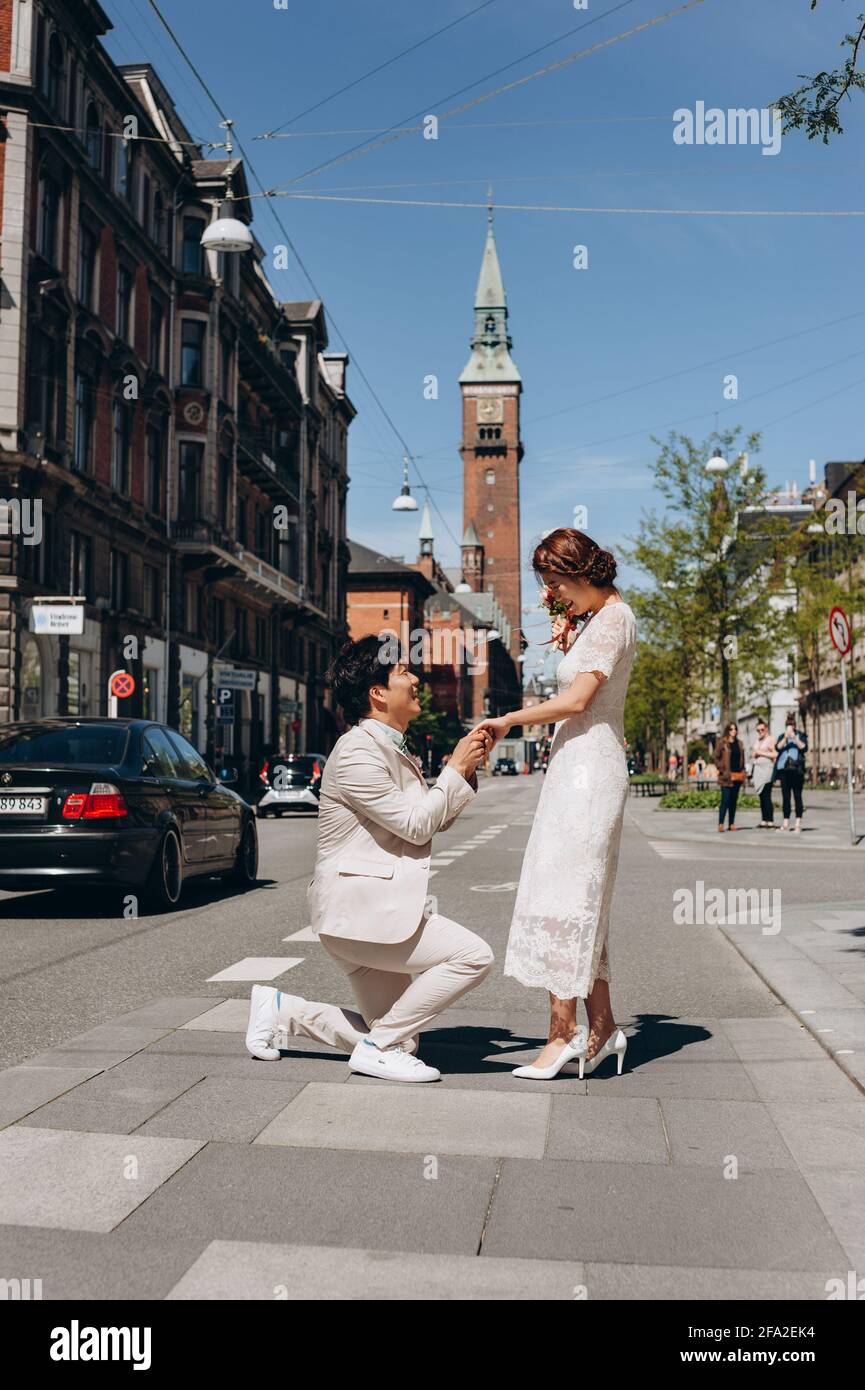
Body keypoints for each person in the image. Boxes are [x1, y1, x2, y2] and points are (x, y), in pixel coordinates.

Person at [245, 636, 494, 1081]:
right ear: (377, 693)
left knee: (404, 1037)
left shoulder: (390, 747)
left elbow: (430, 820)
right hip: (361, 914)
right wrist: (453, 770)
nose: (415, 678)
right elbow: (417, 825)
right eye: (403, 672)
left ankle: (282, 1013)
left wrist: (464, 772)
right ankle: (377, 1048)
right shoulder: (358, 750)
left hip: (369, 915)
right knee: (473, 956)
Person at [476, 528, 636, 1081]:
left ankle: (561, 1036)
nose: (553, 595)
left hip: (591, 769)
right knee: (576, 897)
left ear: (579, 573)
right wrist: (568, 629)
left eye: (554, 584)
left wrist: (507, 720)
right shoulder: (597, 620)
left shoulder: (614, 619)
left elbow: (578, 699)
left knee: (567, 895)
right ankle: (605, 1028)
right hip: (576, 765)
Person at [775, 712, 807, 832]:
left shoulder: (801, 735)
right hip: (784, 771)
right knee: (785, 797)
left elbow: (804, 748)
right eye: (788, 724)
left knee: (797, 796)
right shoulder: (781, 736)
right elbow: (778, 748)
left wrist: (794, 737)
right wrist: (785, 737)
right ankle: (786, 822)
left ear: (795, 725)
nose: (790, 726)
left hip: (797, 770)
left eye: (792, 724)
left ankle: (798, 823)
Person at [715, 721, 746, 832]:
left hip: (737, 775)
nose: (734, 731)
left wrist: (743, 771)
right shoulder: (722, 743)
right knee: (725, 800)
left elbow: (743, 759)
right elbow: (716, 758)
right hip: (726, 776)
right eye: (731, 729)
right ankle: (721, 823)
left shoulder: (740, 744)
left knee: (733, 801)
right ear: (727, 730)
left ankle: (731, 823)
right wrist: (722, 769)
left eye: (735, 729)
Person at [751, 718, 777, 827]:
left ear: (766, 729)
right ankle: (764, 819)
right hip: (758, 770)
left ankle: (770, 820)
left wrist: (761, 753)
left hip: (767, 770)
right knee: (761, 795)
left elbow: (775, 754)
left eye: (762, 730)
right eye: (758, 730)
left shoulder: (771, 739)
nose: (760, 732)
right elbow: (753, 754)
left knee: (767, 795)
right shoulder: (757, 741)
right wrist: (757, 753)